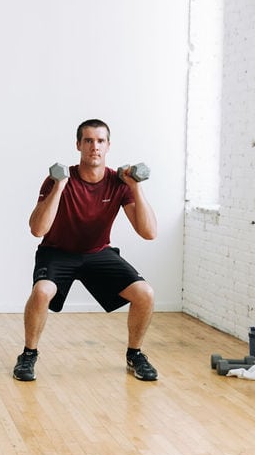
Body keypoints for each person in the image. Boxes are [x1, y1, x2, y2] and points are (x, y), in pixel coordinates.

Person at [13, 119, 158, 383]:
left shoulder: (119, 182)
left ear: (108, 146)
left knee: (145, 293)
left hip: (97, 253)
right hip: (57, 252)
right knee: (42, 291)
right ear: (78, 145)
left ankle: (135, 354)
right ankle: (28, 354)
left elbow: (149, 232)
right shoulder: (57, 179)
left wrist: (136, 187)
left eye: (100, 141)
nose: (94, 147)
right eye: (88, 141)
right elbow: (37, 229)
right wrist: (59, 187)